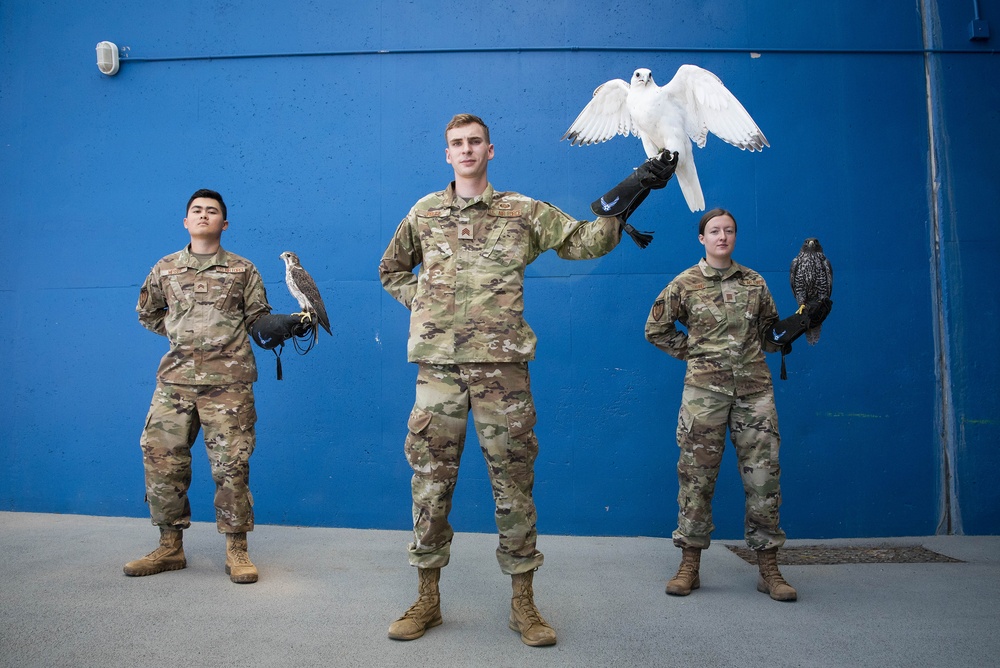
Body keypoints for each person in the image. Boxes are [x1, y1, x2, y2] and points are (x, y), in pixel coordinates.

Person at [379, 113, 677, 646]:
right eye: (456, 144)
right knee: (430, 484)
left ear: (490, 150)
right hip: (439, 371)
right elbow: (392, 270)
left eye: (474, 142)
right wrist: (423, 302)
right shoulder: (424, 213)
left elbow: (584, 243)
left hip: (503, 372)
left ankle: (524, 605)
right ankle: (427, 599)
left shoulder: (523, 211)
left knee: (514, 484)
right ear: (446, 154)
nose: (466, 150)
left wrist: (630, 194)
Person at [644, 208, 830, 602]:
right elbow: (656, 328)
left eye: (729, 230)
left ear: (734, 236)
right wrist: (693, 354)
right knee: (696, 478)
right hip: (704, 395)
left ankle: (768, 569)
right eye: (715, 231)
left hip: (754, 392)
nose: (722, 237)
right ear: (702, 238)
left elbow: (769, 336)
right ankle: (689, 566)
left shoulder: (755, 282)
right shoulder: (685, 284)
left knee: (764, 480)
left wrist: (801, 323)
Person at [125, 188, 308, 584]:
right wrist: (184, 337)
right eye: (196, 211)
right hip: (174, 383)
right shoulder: (165, 268)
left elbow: (258, 318)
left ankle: (237, 549)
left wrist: (282, 325)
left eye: (212, 211)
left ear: (224, 223)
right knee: (162, 459)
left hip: (229, 385)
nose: (203, 215)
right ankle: (169, 545)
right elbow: (148, 313)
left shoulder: (244, 270)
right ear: (186, 221)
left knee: (232, 466)